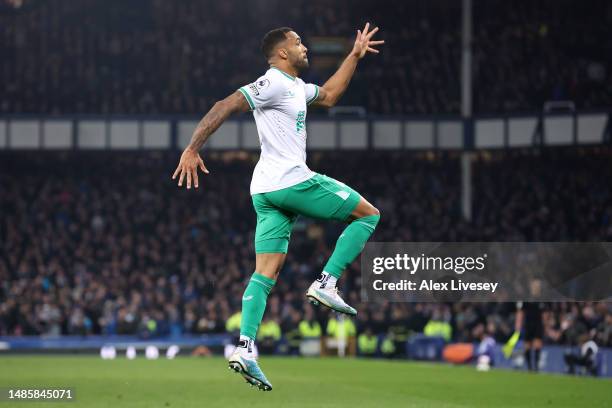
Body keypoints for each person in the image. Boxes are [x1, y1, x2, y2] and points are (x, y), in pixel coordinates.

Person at [172, 23, 384, 391]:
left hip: (265, 191)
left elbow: (332, 94)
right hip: (291, 180)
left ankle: (246, 348)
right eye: (298, 42)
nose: (305, 47)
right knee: (369, 214)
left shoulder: (298, 88)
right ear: (282, 53)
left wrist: (353, 55)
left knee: (265, 272)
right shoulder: (271, 83)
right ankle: (327, 281)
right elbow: (226, 104)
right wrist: (193, 148)